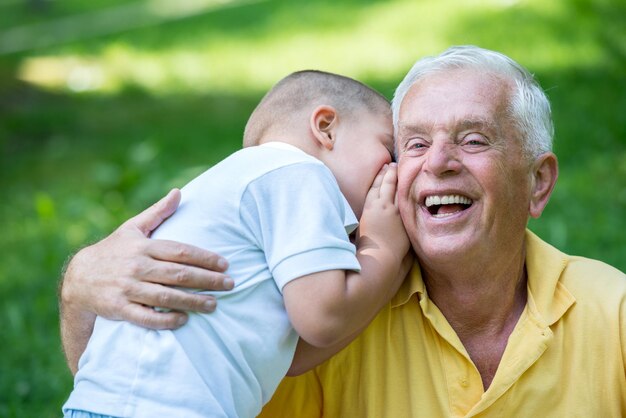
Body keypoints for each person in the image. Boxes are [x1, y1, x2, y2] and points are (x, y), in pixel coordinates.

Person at [60, 46, 626, 417]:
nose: (437, 163)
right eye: (412, 145)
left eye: (474, 140)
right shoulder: (332, 291)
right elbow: (150, 381)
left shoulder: (613, 312)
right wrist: (79, 289)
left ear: (538, 183)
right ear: (325, 128)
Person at [61, 70, 410, 418]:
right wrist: (383, 246)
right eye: (387, 148)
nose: (393, 168)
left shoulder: (249, 188)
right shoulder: (298, 172)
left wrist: (387, 277)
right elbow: (324, 318)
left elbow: (294, 356)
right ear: (325, 127)